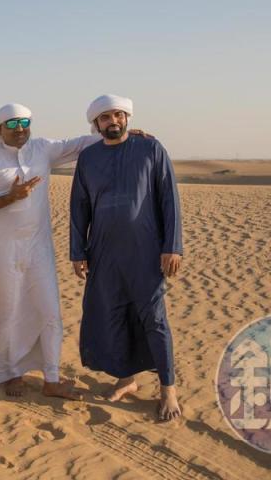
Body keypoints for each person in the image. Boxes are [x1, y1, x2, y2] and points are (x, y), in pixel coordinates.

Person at [0, 103, 100, 399]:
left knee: (50, 310)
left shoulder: (43, 149)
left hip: (39, 247)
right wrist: (7, 198)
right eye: (12, 124)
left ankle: (51, 378)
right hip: (4, 249)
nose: (19, 129)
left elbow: (82, 144)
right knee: (8, 312)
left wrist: (126, 135)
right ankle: (8, 373)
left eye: (25, 122)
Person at [69, 94, 183, 422]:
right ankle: (126, 379)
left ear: (127, 118)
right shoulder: (89, 159)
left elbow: (169, 199)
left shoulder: (150, 149)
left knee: (154, 319)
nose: (113, 121)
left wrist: (172, 246)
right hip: (103, 254)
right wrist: (78, 252)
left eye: (118, 115)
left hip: (145, 252)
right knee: (114, 315)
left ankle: (168, 388)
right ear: (96, 124)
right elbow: (79, 207)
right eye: (106, 118)